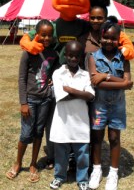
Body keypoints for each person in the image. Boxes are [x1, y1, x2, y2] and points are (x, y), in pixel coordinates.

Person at [6, 19, 59, 182]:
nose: (46, 38)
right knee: (26, 134)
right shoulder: (28, 52)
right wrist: (23, 103)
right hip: (30, 100)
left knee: (38, 132)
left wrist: (51, 79)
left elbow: (53, 71)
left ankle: (33, 164)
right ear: (36, 34)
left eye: (49, 35)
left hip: (45, 100)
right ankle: (17, 163)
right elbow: (22, 79)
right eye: (43, 35)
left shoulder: (53, 54)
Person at [87, 21, 133, 190]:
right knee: (97, 138)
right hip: (99, 106)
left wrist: (105, 76)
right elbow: (96, 83)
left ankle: (113, 173)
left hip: (117, 106)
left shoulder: (124, 58)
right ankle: (97, 170)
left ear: (118, 40)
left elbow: (128, 83)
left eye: (113, 38)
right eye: (106, 37)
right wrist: (122, 83)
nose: (109, 41)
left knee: (114, 138)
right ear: (101, 37)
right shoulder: (93, 57)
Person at [49, 41, 95, 190]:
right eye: (70, 55)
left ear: (81, 57)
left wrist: (71, 90)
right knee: (61, 152)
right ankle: (59, 176)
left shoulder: (85, 75)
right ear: (65, 55)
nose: (73, 59)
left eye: (77, 56)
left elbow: (91, 96)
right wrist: (81, 93)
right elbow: (61, 96)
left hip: (80, 122)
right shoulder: (58, 73)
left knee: (82, 153)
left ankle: (82, 179)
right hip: (62, 121)